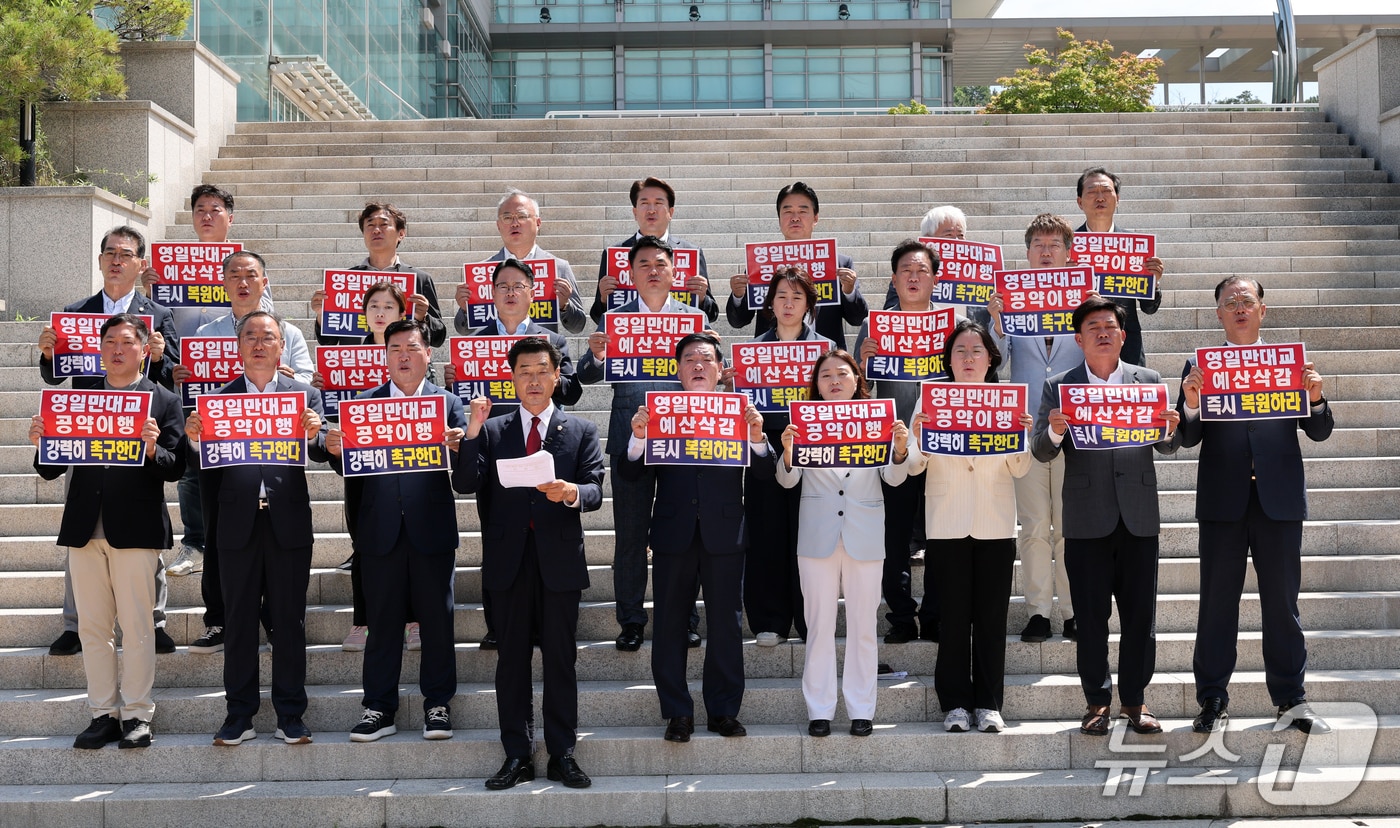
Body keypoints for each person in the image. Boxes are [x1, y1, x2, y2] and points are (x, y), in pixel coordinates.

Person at [1177, 276, 1334, 735]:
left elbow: (1320, 431)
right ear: (1218, 314)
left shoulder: (1290, 364)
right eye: (1230, 302)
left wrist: (1316, 398)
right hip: (1223, 502)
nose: (1239, 307)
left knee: (1282, 606)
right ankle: (1211, 699)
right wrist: (1189, 403)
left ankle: (1291, 700)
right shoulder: (1198, 366)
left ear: (1262, 310)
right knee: (1216, 605)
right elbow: (1185, 438)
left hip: (1278, 501)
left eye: (1247, 300)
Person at [455, 337, 605, 790]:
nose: (534, 379)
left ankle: (563, 753)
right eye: (524, 371)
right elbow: (465, 482)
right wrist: (472, 431)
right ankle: (517, 755)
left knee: (561, 661)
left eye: (542, 370)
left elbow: (596, 488)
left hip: (559, 564)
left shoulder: (580, 430)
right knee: (512, 663)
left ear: (557, 375)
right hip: (508, 566)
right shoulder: (495, 430)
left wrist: (573, 493)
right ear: (513, 378)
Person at [31, 313, 185, 749]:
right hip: (84, 530)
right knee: (92, 629)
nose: (118, 349)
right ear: (100, 351)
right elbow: (49, 468)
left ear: (143, 349)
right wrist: (43, 441)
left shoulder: (164, 400)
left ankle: (137, 715)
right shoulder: (80, 399)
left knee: (137, 627)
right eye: (110, 342)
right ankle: (102, 713)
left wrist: (155, 449)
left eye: (127, 342)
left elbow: (178, 470)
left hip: (135, 530)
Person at [1030, 296, 1181, 736]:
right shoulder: (1060, 385)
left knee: (1140, 619)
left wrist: (1170, 428)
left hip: (1138, 516)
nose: (1102, 332)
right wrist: (1056, 428)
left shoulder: (1147, 379)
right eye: (1092, 326)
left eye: (1109, 326)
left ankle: (1135, 700)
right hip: (1085, 517)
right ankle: (1097, 701)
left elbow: (1167, 445)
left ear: (1122, 335)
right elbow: (1040, 449)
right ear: (1078, 339)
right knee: (1091, 619)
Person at [185, 311, 329, 746]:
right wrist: (194, 437)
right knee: (240, 622)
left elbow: (323, 453)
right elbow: (198, 467)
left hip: (287, 523)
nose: (260, 344)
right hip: (236, 525)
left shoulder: (304, 396)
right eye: (251, 336)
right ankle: (239, 714)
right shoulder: (216, 401)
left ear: (282, 345)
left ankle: (291, 714)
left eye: (269, 337)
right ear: (238, 344)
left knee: (289, 622)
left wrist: (315, 434)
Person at [622, 332, 773, 743]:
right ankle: (677, 711)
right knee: (670, 624)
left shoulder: (740, 411)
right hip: (673, 533)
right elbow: (632, 474)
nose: (698, 366)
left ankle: (723, 710)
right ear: (677, 369)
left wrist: (757, 439)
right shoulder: (660, 411)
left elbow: (765, 474)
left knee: (726, 624)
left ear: (721, 369)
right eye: (689, 359)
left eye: (707, 359)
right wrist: (638, 437)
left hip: (726, 533)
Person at [36, 226, 179, 657]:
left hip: (138, 439)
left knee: (143, 533)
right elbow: (56, 376)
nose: (117, 260)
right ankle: (74, 624)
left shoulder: (158, 315)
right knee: (81, 530)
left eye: (127, 254)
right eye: (110, 253)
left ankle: (154, 621)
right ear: (100, 260)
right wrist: (46, 355)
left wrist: (158, 356)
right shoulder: (74, 311)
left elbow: (172, 378)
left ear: (140, 264)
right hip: (86, 440)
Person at [326, 319, 466, 743]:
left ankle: (437, 704)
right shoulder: (363, 405)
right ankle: (378, 708)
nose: (403, 356)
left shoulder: (447, 404)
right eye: (395, 349)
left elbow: (465, 472)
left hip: (431, 529)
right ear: (384, 357)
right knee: (382, 624)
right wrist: (335, 452)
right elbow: (351, 470)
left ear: (428, 354)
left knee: (437, 623)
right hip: (379, 531)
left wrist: (461, 446)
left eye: (412, 347)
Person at [179, 250, 314, 656]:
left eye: (250, 275)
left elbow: (307, 382)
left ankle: (274, 619)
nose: (242, 282)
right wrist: (183, 379)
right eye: (234, 275)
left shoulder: (285, 331)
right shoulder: (207, 333)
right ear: (223, 283)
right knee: (221, 533)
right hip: (224, 451)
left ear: (264, 281)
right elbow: (199, 396)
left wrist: (291, 377)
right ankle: (218, 618)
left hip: (274, 453)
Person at [576, 236, 706, 652]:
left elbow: (708, 376)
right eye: (644, 264)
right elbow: (585, 375)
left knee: (683, 533)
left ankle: (685, 616)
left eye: (661, 263)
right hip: (629, 440)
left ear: (675, 273)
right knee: (630, 536)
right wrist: (596, 356)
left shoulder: (695, 318)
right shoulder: (614, 318)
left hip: (683, 441)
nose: (653, 270)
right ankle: (630, 618)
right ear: (631, 274)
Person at [449, 257, 585, 651]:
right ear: (491, 295)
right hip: (494, 447)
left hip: (543, 445)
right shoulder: (473, 342)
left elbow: (573, 392)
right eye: (503, 286)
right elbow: (463, 403)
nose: (510, 293)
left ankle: (544, 619)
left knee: (543, 531)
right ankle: (499, 622)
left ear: (532, 293)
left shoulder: (553, 341)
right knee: (498, 533)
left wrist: (548, 378)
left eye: (518, 286)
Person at [777, 349, 911, 738]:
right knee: (818, 626)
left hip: (864, 535)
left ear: (857, 381)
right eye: (825, 376)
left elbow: (895, 478)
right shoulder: (802, 422)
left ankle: (861, 709)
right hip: (817, 537)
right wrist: (787, 452)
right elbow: (787, 481)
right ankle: (819, 709)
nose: (834, 381)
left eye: (842, 374)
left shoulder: (878, 420)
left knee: (863, 626)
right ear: (815, 385)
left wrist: (899, 449)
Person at [909, 320, 1032, 734]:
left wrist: (1022, 436)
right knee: (954, 619)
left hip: (995, 523)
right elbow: (912, 464)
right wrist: (920, 435)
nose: (967, 358)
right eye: (959, 351)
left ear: (991, 358)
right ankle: (956, 703)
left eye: (976, 350)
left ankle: (989, 703)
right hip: (946, 523)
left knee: (992, 619)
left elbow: (1019, 467)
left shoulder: (1007, 400)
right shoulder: (932, 400)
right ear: (949, 359)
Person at [144, 185, 270, 581]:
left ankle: (235, 533)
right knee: (189, 464)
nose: (207, 216)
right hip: (191, 379)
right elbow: (158, 321)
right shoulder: (171, 267)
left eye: (215, 210)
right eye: (200, 209)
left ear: (229, 218)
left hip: (243, 381)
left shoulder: (245, 267)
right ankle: (195, 541)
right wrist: (151, 290)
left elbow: (267, 322)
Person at [853, 239, 963, 644]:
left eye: (921, 271)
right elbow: (856, 392)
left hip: (942, 446)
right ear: (894, 279)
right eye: (906, 271)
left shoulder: (953, 324)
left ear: (935, 278)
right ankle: (901, 615)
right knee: (894, 535)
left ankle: (934, 614)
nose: (913, 277)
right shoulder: (874, 324)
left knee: (938, 534)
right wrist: (863, 364)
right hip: (892, 447)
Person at [310, 281, 427, 653]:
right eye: (373, 306)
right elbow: (332, 421)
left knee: (412, 543)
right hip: (363, 468)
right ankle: (362, 620)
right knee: (365, 544)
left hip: (409, 469)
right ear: (363, 315)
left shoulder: (413, 353)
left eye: (388, 306)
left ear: (401, 314)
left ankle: (413, 618)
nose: (380, 312)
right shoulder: (343, 355)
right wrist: (322, 389)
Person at [987, 214, 1085, 644]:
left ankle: (1073, 610)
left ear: (1068, 252)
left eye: (1054, 245)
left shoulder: (1085, 301)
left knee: (1068, 526)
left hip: (1076, 430)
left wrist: (1093, 312)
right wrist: (997, 322)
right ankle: (1039, 611)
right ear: (1027, 254)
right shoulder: (1010, 300)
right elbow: (998, 363)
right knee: (1031, 525)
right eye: (1039, 245)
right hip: (1025, 428)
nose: (1046, 252)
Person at [742, 266, 832, 646]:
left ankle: (811, 618)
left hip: (811, 445)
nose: (789, 303)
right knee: (766, 530)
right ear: (770, 304)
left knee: (808, 531)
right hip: (764, 443)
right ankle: (770, 620)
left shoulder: (825, 349)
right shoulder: (755, 349)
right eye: (781, 296)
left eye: (797, 297)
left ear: (810, 304)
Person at [727, 181, 868, 350]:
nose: (795, 217)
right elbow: (738, 321)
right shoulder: (762, 263)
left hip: (824, 361)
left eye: (802, 211)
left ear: (816, 218)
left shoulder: (839, 264)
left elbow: (858, 319)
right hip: (772, 358)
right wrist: (738, 295)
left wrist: (849, 291)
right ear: (779, 218)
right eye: (788, 211)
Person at [312, 202, 447, 348]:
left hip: (403, 365)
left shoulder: (420, 279)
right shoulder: (345, 281)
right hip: (360, 366)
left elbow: (438, 338)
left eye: (384, 225)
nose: (376, 230)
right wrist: (321, 315)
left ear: (401, 234)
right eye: (370, 225)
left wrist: (423, 317)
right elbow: (328, 341)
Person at [454, 188, 587, 334]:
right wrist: (465, 309)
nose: (515, 223)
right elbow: (464, 330)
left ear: (538, 223)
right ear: (498, 225)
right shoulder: (482, 273)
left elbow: (578, 326)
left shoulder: (559, 267)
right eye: (507, 218)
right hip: (498, 352)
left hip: (541, 353)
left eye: (522, 216)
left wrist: (564, 305)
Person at [590, 175, 719, 325]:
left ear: (671, 212)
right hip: (631, 337)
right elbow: (597, 317)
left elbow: (711, 315)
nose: (651, 210)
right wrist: (604, 300)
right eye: (644, 203)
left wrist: (703, 299)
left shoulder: (691, 253)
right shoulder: (614, 253)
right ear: (635, 212)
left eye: (658, 203)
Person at [1074, 167, 1166, 367]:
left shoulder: (1135, 247)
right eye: (1092, 192)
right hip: (1077, 351)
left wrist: (1154, 282)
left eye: (1106, 191)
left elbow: (1149, 309)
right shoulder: (1067, 246)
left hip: (1127, 348)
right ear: (1080, 202)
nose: (1100, 197)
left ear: (1118, 199)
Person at [882, 205, 986, 328]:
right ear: (928, 240)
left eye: (960, 235)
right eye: (949, 235)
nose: (957, 241)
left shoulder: (979, 277)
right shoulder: (908, 278)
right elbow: (891, 317)